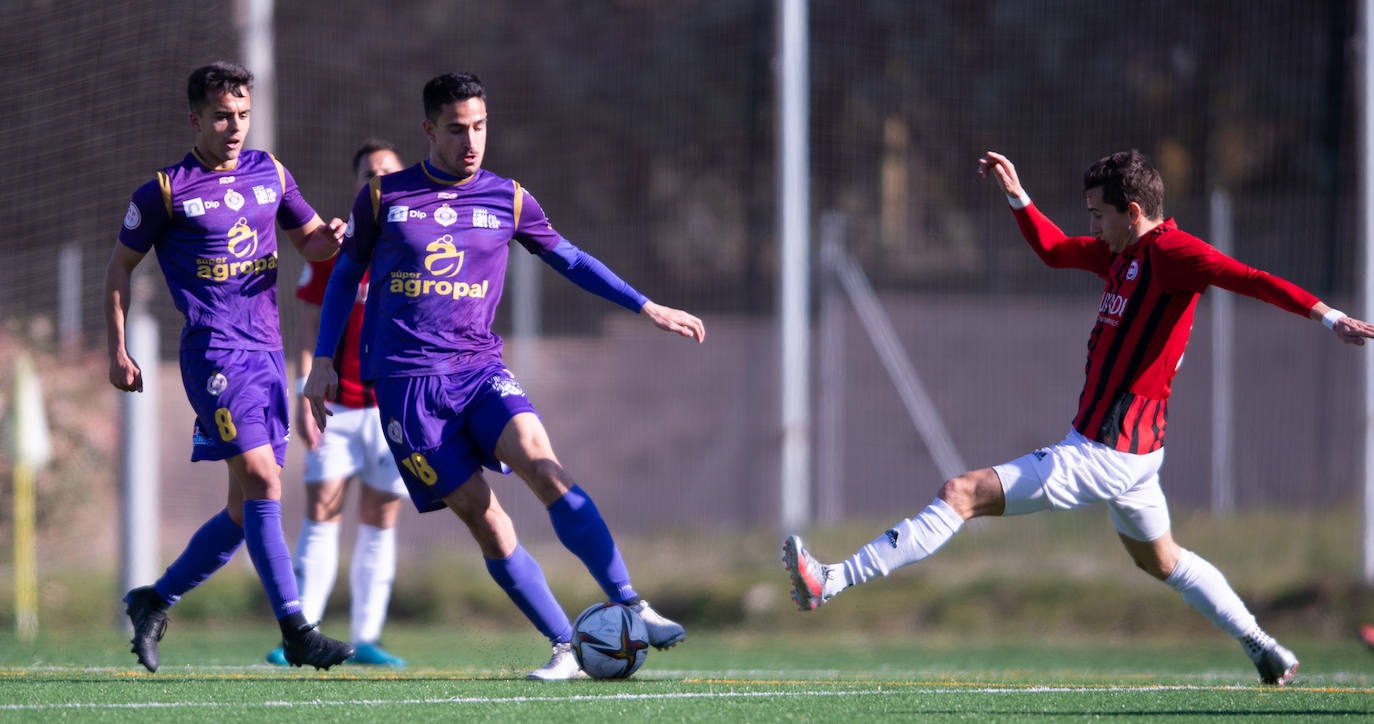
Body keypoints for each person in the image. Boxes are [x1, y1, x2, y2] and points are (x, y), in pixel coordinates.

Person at [782, 149, 1374, 687]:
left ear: (1133, 211)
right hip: (1132, 458)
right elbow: (1052, 249)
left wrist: (1329, 317)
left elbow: (1250, 279)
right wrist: (1018, 195)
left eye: (1098, 214)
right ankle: (1263, 645)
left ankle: (829, 581)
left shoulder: (1172, 252)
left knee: (961, 492)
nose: (1091, 226)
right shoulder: (1121, 255)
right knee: (1162, 560)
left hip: (1105, 453)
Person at [304, 72, 706, 680]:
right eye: (458, 129)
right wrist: (322, 364)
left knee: (544, 466)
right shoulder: (384, 196)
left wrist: (646, 306)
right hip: (407, 388)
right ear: (429, 129)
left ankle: (630, 601)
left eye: (480, 127)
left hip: (479, 370)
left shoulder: (509, 197)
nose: (471, 141)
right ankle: (566, 647)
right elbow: (341, 277)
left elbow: (568, 257)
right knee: (483, 518)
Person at [105, 61, 354, 672]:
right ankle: (297, 631)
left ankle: (153, 600)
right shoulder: (165, 190)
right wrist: (117, 347)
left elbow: (312, 241)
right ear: (196, 118)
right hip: (214, 353)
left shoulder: (271, 172)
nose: (235, 126)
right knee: (265, 482)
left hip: (267, 351)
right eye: (222, 116)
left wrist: (335, 237)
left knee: (245, 512)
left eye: (243, 114)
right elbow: (118, 269)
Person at [265, 140, 409, 668]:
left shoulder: (422, 241)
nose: (380, 179)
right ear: (357, 185)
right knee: (321, 514)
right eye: (371, 173)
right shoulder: (338, 246)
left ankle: (368, 637)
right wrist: (304, 386)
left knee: (380, 517)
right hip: (338, 408)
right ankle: (301, 634)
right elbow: (307, 320)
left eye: (390, 172)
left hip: (395, 408)